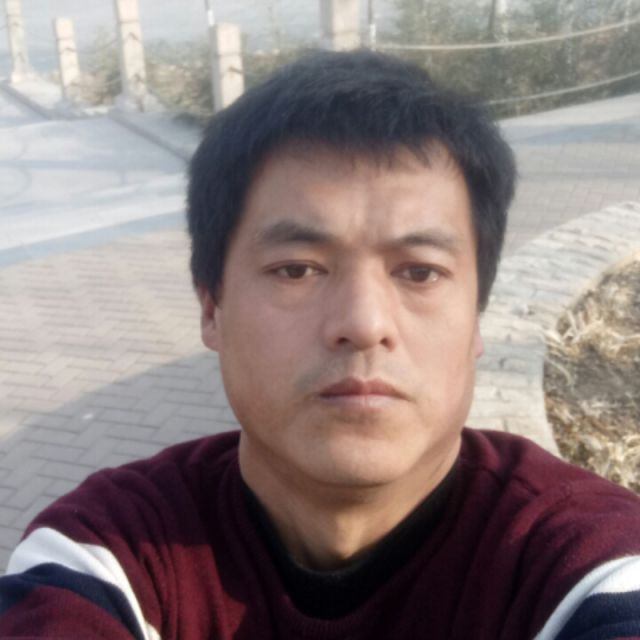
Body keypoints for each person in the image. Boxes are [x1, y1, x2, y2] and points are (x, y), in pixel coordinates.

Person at [1, 49, 639, 640]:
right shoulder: (107, 556)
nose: (363, 323)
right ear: (212, 307)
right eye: (296, 269)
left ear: (475, 318)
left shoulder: (582, 563)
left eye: (420, 272)